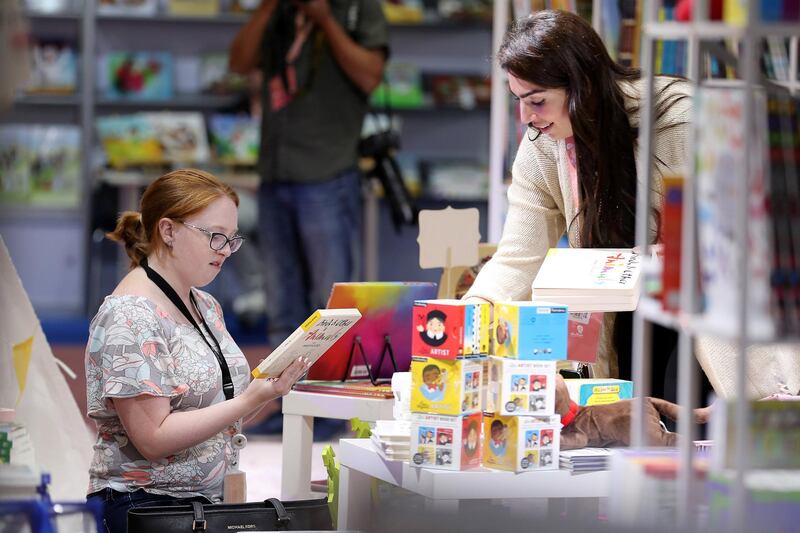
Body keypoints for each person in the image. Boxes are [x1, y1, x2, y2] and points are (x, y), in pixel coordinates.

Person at [463, 10, 692, 399]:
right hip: (626, 323)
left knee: (698, 439)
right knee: (639, 434)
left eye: (537, 101)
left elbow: (720, 239)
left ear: (583, 86)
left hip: (698, 320)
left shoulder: (677, 119)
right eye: (518, 100)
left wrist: (648, 260)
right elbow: (520, 254)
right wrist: (473, 310)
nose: (525, 118)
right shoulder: (542, 147)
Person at [85, 169, 309, 533]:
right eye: (214, 237)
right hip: (146, 506)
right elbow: (153, 438)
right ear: (168, 231)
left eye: (232, 240)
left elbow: (211, 412)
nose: (225, 251)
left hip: (203, 504)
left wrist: (267, 391)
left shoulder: (203, 303)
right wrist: (251, 400)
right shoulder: (130, 314)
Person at [229, 0, 389, 346]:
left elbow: (370, 75)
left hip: (327, 171)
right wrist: (267, 8)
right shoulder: (279, 12)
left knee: (329, 300)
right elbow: (239, 62)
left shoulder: (357, 9)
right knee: (281, 300)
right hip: (275, 172)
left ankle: (329, 395)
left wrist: (325, 20)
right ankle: (284, 394)